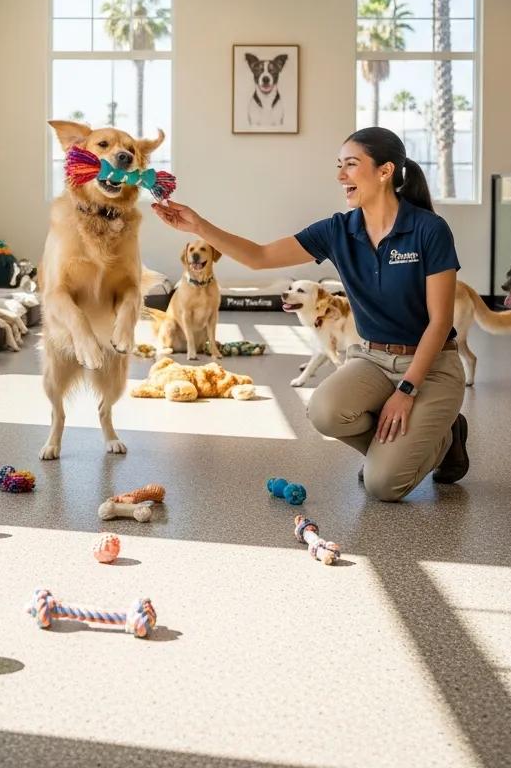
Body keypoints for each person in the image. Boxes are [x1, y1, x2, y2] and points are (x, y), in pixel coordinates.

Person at [152, 126, 468, 502]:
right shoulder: (338, 231)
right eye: (339, 165)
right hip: (372, 359)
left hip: (431, 367)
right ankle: (403, 449)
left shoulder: (429, 230)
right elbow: (260, 257)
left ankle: (445, 439)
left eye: (351, 165)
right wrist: (198, 225)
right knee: (324, 411)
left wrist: (407, 390)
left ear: (385, 171)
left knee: (383, 486)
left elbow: (440, 322)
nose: (340, 176)